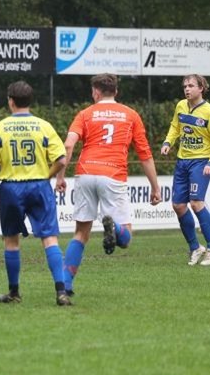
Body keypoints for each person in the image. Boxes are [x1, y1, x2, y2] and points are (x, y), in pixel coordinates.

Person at [55, 73, 161, 296]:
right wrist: (155, 187)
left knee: (81, 233)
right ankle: (115, 228)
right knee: (126, 238)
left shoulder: (85, 114)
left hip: (85, 173)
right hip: (113, 174)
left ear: (95, 91)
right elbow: (145, 155)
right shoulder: (131, 115)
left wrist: (60, 176)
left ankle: (66, 286)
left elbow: (68, 145)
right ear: (116, 91)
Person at [0, 81, 71, 306]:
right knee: (49, 238)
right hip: (39, 186)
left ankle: (14, 292)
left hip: (11, 188)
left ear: (10, 101)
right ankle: (61, 292)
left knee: (11, 240)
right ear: (30, 101)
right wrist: (46, 176)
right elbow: (61, 160)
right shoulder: (44, 126)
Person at [160, 73, 210, 267]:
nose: (187, 89)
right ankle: (195, 247)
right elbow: (175, 127)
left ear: (201, 88)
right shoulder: (181, 106)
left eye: (191, 86)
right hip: (182, 161)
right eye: (185, 86)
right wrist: (168, 142)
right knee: (178, 206)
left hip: (201, 162)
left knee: (196, 203)